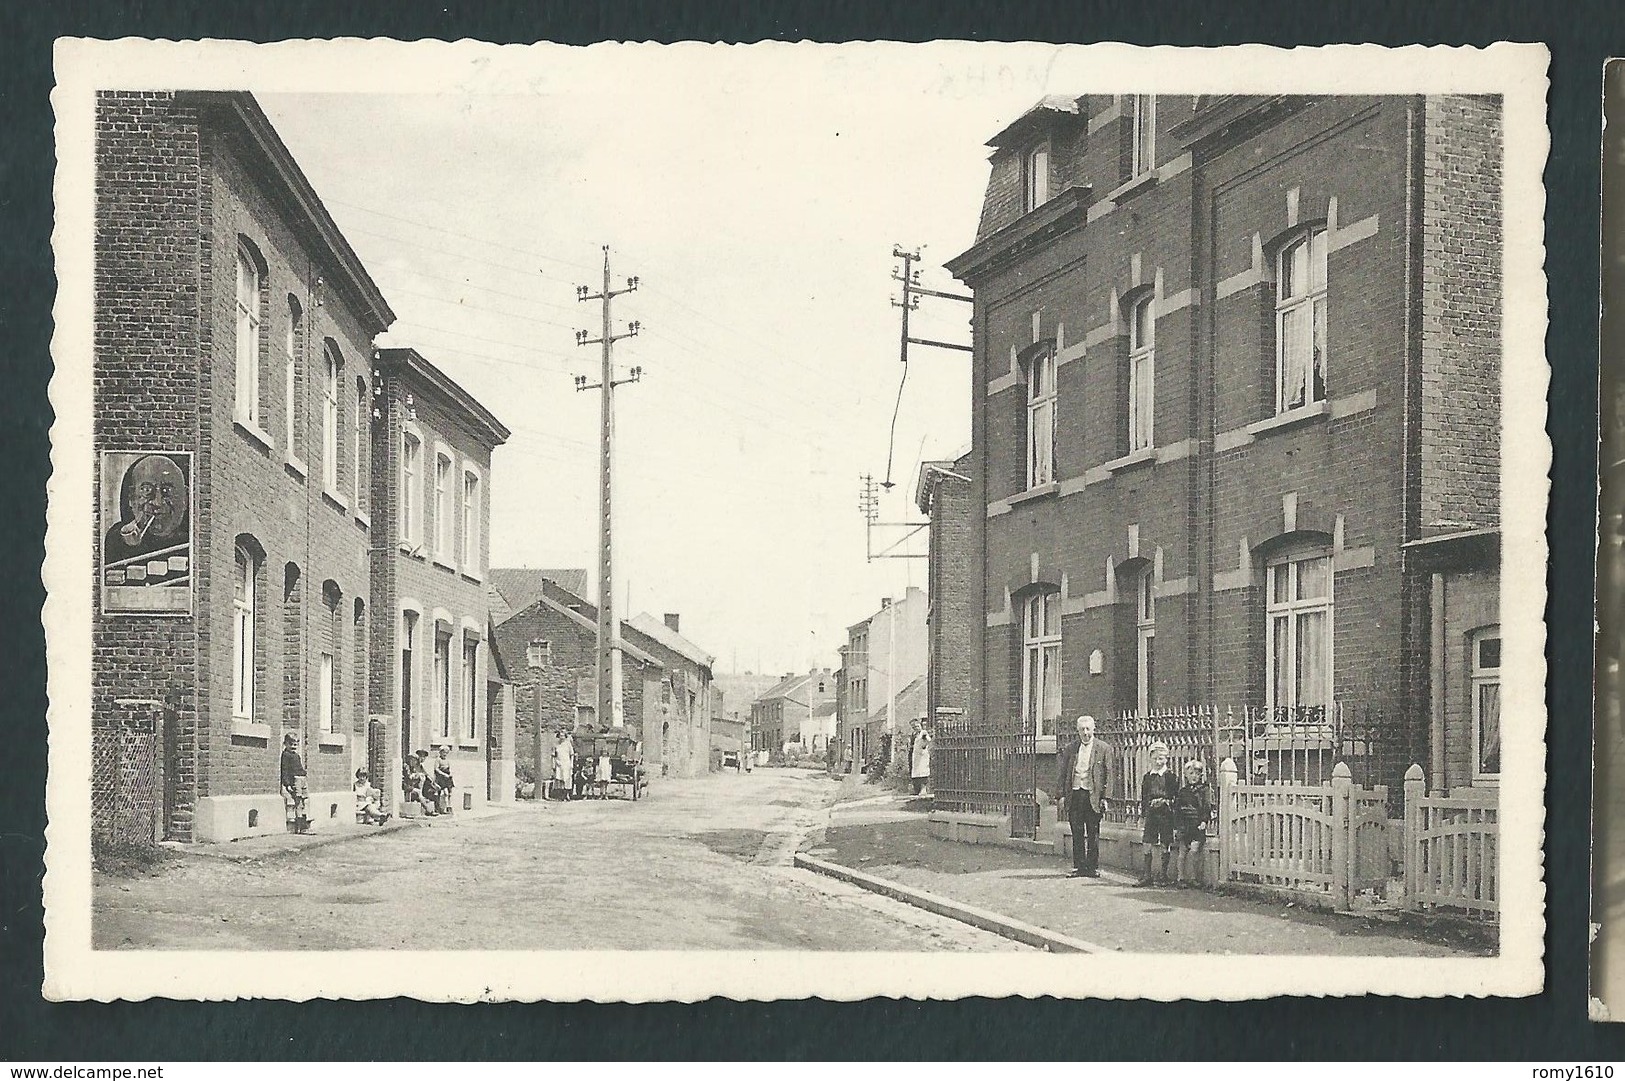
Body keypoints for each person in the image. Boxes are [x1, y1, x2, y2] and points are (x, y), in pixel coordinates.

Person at [1054, 715, 1114, 878]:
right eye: (1082, 729)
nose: (1085, 733)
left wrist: (1106, 798)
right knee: (1077, 831)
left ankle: (1092, 867)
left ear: (1094, 729)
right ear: (1078, 731)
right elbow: (1063, 773)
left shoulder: (1103, 748)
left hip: (1093, 795)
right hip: (1075, 793)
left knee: (1093, 831)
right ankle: (1079, 866)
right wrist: (1061, 796)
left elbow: (1109, 775)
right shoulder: (1071, 748)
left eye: (1088, 729)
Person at [1139, 742, 1179, 886]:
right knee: (1147, 842)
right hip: (1151, 814)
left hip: (1165, 814)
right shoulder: (1147, 777)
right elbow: (1144, 797)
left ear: (1167, 759)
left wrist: (1165, 801)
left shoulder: (1171, 777)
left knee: (1165, 843)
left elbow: (1175, 797)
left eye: (1161, 758)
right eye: (1155, 758)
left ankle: (1163, 875)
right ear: (1150, 758)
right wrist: (1144, 813)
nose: (1158, 761)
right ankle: (1147, 874)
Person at [1172, 758, 1214, 887]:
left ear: (1201, 775)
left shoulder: (1204, 790)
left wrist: (1204, 821)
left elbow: (1206, 807)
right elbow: (1177, 809)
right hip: (1184, 825)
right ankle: (1181, 878)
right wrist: (1176, 827)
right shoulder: (1183, 791)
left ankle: (1194, 878)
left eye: (1197, 773)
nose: (1194, 776)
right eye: (1191, 773)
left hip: (1197, 824)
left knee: (1194, 851)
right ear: (1186, 775)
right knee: (1182, 852)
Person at [280, 734, 310, 833]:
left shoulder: (296, 755)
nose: (293, 747)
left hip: (302, 779)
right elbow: (285, 770)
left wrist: (304, 775)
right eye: (290, 744)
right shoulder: (286, 755)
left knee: (305, 800)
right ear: (285, 744)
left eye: (295, 744)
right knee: (298, 801)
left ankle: (305, 819)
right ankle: (300, 825)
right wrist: (287, 784)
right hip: (295, 779)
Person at [910, 723, 933, 797]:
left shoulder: (923, 733)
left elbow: (928, 740)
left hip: (922, 756)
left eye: (917, 726)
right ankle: (917, 789)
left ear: (920, 726)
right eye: (914, 727)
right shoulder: (915, 735)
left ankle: (924, 789)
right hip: (916, 756)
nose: (916, 728)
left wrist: (924, 744)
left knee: (923, 772)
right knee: (916, 772)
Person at [552, 730, 574, 801]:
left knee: (567, 779)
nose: (561, 737)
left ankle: (567, 795)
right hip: (559, 763)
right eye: (560, 736)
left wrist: (571, 763)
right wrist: (554, 764)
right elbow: (553, 755)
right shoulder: (556, 744)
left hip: (566, 763)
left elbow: (572, 754)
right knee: (560, 779)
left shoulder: (568, 744)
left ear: (565, 736)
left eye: (563, 736)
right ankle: (561, 796)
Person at [433, 746, 455, 814]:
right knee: (437, 792)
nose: (444, 754)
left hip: (446, 779)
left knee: (447, 793)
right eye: (443, 752)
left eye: (446, 752)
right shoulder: (438, 760)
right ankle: (437, 809)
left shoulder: (447, 761)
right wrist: (443, 774)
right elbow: (436, 769)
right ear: (440, 753)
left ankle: (446, 808)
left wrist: (449, 775)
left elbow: (449, 769)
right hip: (439, 778)